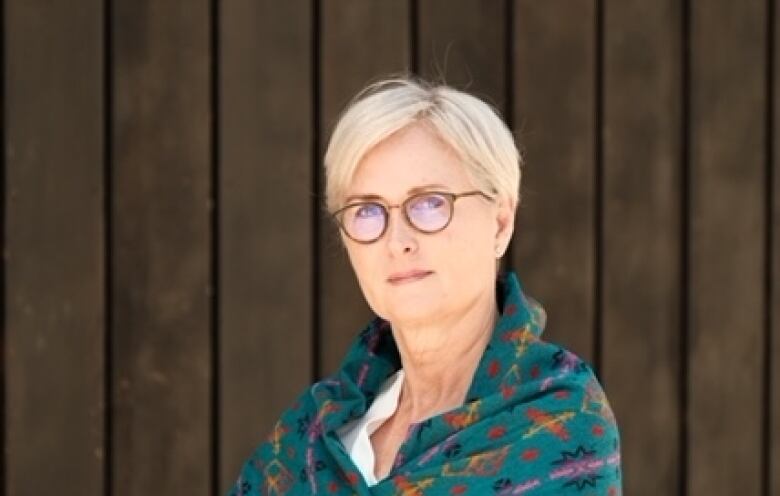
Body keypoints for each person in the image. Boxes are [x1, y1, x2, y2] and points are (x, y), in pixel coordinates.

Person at [227, 76, 621, 495]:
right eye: (367, 210)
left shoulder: (558, 421)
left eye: (431, 203)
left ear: (501, 222)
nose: (397, 241)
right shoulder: (308, 436)